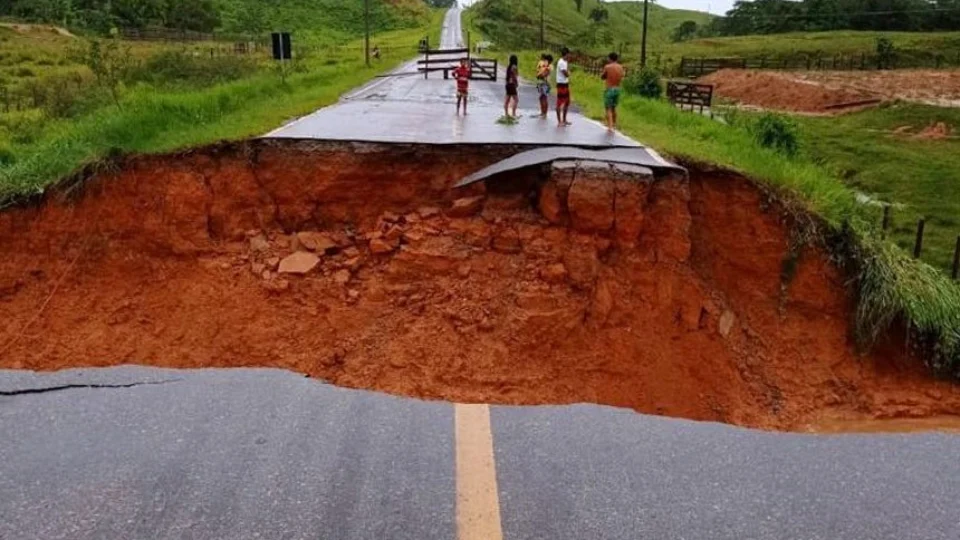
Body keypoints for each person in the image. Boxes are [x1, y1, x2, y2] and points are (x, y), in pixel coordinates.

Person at [600, 52, 626, 132]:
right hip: (617, 89)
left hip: (610, 89)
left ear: (609, 58)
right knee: (614, 108)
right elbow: (622, 76)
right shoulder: (621, 67)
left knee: (608, 108)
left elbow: (603, 76)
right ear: (617, 58)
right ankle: (614, 124)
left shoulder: (607, 67)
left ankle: (610, 126)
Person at [555, 47, 571, 126]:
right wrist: (569, 73)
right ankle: (559, 121)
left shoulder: (565, 62)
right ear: (566, 54)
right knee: (560, 102)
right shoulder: (561, 62)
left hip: (565, 84)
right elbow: (566, 74)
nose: (570, 56)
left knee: (567, 102)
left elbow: (567, 73)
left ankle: (564, 120)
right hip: (561, 84)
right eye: (569, 54)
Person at [536, 53, 553, 118]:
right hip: (541, 83)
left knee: (544, 98)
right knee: (541, 98)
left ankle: (544, 113)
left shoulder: (549, 66)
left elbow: (544, 74)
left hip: (545, 83)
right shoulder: (544, 66)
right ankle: (542, 112)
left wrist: (539, 75)